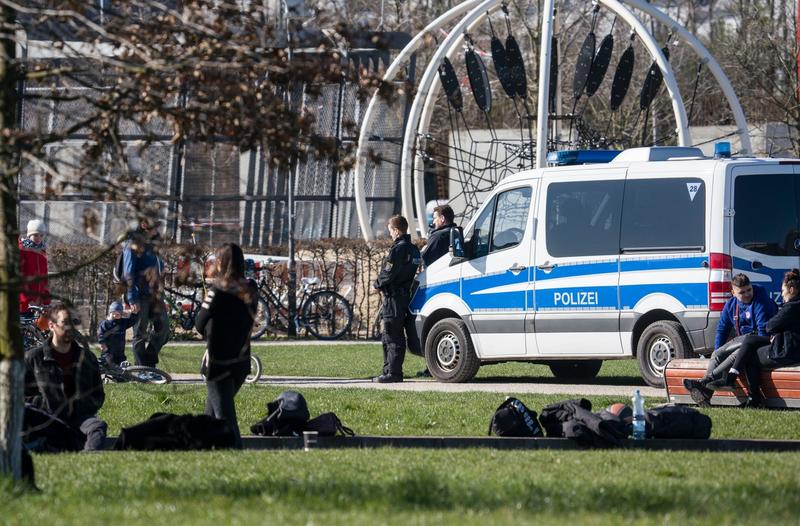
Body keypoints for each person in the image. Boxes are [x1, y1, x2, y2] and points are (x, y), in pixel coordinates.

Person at [195, 243, 259, 448]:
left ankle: (236, 453)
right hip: (241, 362)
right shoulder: (251, 288)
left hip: (218, 362)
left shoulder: (217, 291)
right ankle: (199, 450)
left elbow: (199, 323)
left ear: (221, 263)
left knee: (224, 418)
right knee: (211, 415)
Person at [683, 273, 777, 405]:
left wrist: (746, 348)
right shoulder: (731, 305)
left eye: (749, 290)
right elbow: (722, 329)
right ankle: (705, 395)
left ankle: (703, 382)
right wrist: (718, 349)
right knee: (717, 353)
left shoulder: (761, 300)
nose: (747, 294)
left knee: (735, 354)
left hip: (761, 340)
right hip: (744, 340)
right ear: (733, 293)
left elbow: (763, 332)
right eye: (742, 292)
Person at [24, 304, 107, 451]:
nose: (70, 327)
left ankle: (88, 460)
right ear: (51, 325)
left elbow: (98, 395)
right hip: (47, 419)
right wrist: (48, 403)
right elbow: (22, 397)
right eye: (65, 322)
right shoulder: (34, 358)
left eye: (73, 322)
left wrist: (77, 405)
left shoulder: (87, 358)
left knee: (97, 427)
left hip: (79, 419)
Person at [718, 269, 800, 408]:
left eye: (783, 290)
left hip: (789, 351)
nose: (782, 293)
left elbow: (770, 326)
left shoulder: (792, 306)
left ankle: (753, 397)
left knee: (750, 356)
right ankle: (733, 377)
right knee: (750, 341)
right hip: (791, 348)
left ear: (791, 290)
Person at [373, 215, 421, 383]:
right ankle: (390, 371)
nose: (390, 235)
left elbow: (388, 272)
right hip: (404, 297)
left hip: (393, 297)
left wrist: (377, 283)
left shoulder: (398, 249)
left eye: (390, 231)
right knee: (397, 334)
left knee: (391, 335)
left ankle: (392, 372)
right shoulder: (414, 249)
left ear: (396, 230)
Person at [413, 205, 460, 377]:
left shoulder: (438, 236)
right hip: (454, 284)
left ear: (442, 218)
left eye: (435, 218)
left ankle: (431, 367)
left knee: (432, 327)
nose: (433, 221)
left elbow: (423, 258)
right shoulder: (457, 232)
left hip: (435, 285)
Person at [122, 218, 169, 367]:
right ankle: (141, 367)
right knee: (140, 333)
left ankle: (148, 362)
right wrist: (132, 298)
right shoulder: (132, 246)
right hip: (139, 295)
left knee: (164, 329)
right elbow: (128, 273)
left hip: (155, 295)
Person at [19, 219, 50, 313]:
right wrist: (26, 299)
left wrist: (46, 300)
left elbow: (44, 277)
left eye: (41, 235)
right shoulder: (22, 250)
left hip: (38, 302)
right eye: (35, 235)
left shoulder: (42, 251)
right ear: (29, 235)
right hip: (24, 301)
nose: (38, 238)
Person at [97, 301, 138, 367]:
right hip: (108, 350)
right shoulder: (105, 324)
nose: (115, 316)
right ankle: (105, 371)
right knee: (108, 362)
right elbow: (100, 334)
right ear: (110, 313)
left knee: (120, 365)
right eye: (113, 314)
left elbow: (131, 321)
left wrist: (134, 314)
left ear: (121, 314)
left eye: (118, 314)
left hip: (120, 351)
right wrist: (102, 343)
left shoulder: (123, 322)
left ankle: (119, 375)